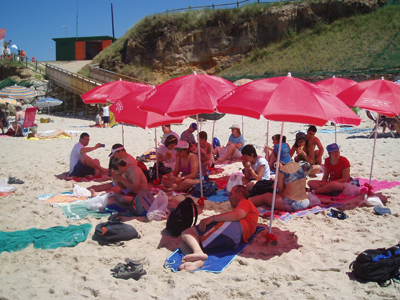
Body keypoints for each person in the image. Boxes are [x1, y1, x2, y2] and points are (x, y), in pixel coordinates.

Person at [178, 185, 258, 272]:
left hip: (233, 230)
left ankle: (198, 253)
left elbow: (237, 215)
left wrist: (212, 218)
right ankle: (198, 260)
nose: (228, 197)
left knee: (188, 232)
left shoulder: (245, 202)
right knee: (185, 243)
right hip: (234, 240)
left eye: (231, 194)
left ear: (239, 195)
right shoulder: (250, 210)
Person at [250, 143, 312, 212]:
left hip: (293, 204)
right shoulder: (298, 165)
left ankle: (246, 203)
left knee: (265, 196)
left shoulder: (282, 171)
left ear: (276, 156)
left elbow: (280, 192)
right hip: (305, 201)